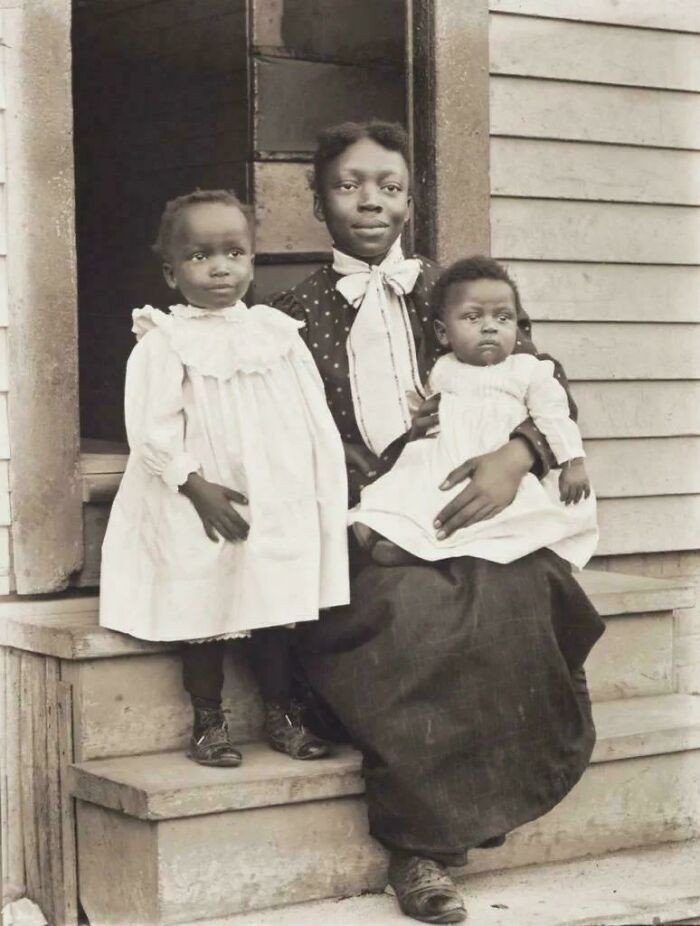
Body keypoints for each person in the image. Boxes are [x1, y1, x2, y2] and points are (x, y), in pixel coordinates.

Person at [271, 121, 605, 924]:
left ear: (410, 201)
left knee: (520, 587)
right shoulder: (289, 316)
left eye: (389, 186)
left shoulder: (456, 291)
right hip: (371, 515)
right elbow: (281, 435)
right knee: (413, 612)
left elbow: (545, 382)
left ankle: (516, 752)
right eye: (349, 185)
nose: (370, 201)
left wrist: (518, 456)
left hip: (481, 508)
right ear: (318, 202)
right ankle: (417, 845)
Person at [100, 189, 349, 768]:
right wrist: (194, 485)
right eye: (199, 256)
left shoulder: (276, 334)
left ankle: (282, 713)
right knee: (203, 600)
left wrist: (307, 485)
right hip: (195, 495)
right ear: (171, 272)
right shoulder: (165, 342)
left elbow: (308, 413)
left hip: (271, 494)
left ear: (252, 261)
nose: (219, 268)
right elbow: (152, 429)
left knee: (272, 601)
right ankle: (208, 721)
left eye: (234, 253)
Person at [349, 256, 599, 570]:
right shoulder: (442, 369)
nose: (490, 326)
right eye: (473, 317)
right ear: (443, 333)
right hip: (445, 459)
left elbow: (554, 416)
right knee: (412, 490)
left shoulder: (528, 370)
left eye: (503, 317)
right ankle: (398, 537)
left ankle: (430, 549)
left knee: (509, 517)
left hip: (499, 462)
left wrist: (573, 462)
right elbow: (419, 405)